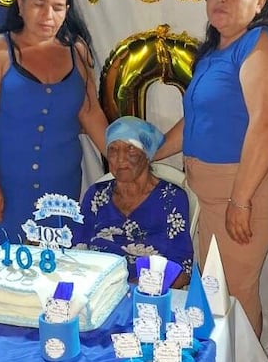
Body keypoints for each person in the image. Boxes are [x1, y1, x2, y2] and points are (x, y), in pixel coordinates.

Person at [156, 0, 268, 362]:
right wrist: (149, 153)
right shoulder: (214, 53)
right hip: (207, 190)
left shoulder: (262, 44)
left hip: (243, 189)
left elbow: (267, 123)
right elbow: (194, 122)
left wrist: (241, 199)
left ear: (260, 1)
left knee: (233, 293)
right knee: (219, 291)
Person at [0, 0, 108, 244]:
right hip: (8, 189)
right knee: (8, 264)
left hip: (62, 190)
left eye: (58, 7)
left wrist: (120, 160)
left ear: (67, 10)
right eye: (39, 4)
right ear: (20, 3)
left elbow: (90, 112)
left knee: (56, 263)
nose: (48, 15)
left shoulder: (77, 50)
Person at [73, 116, 193, 282]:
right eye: (113, 150)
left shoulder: (171, 198)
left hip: (148, 287)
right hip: (99, 285)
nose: (121, 159)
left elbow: (182, 266)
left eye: (131, 149)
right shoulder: (96, 195)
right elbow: (77, 249)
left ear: (147, 154)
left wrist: (140, 288)